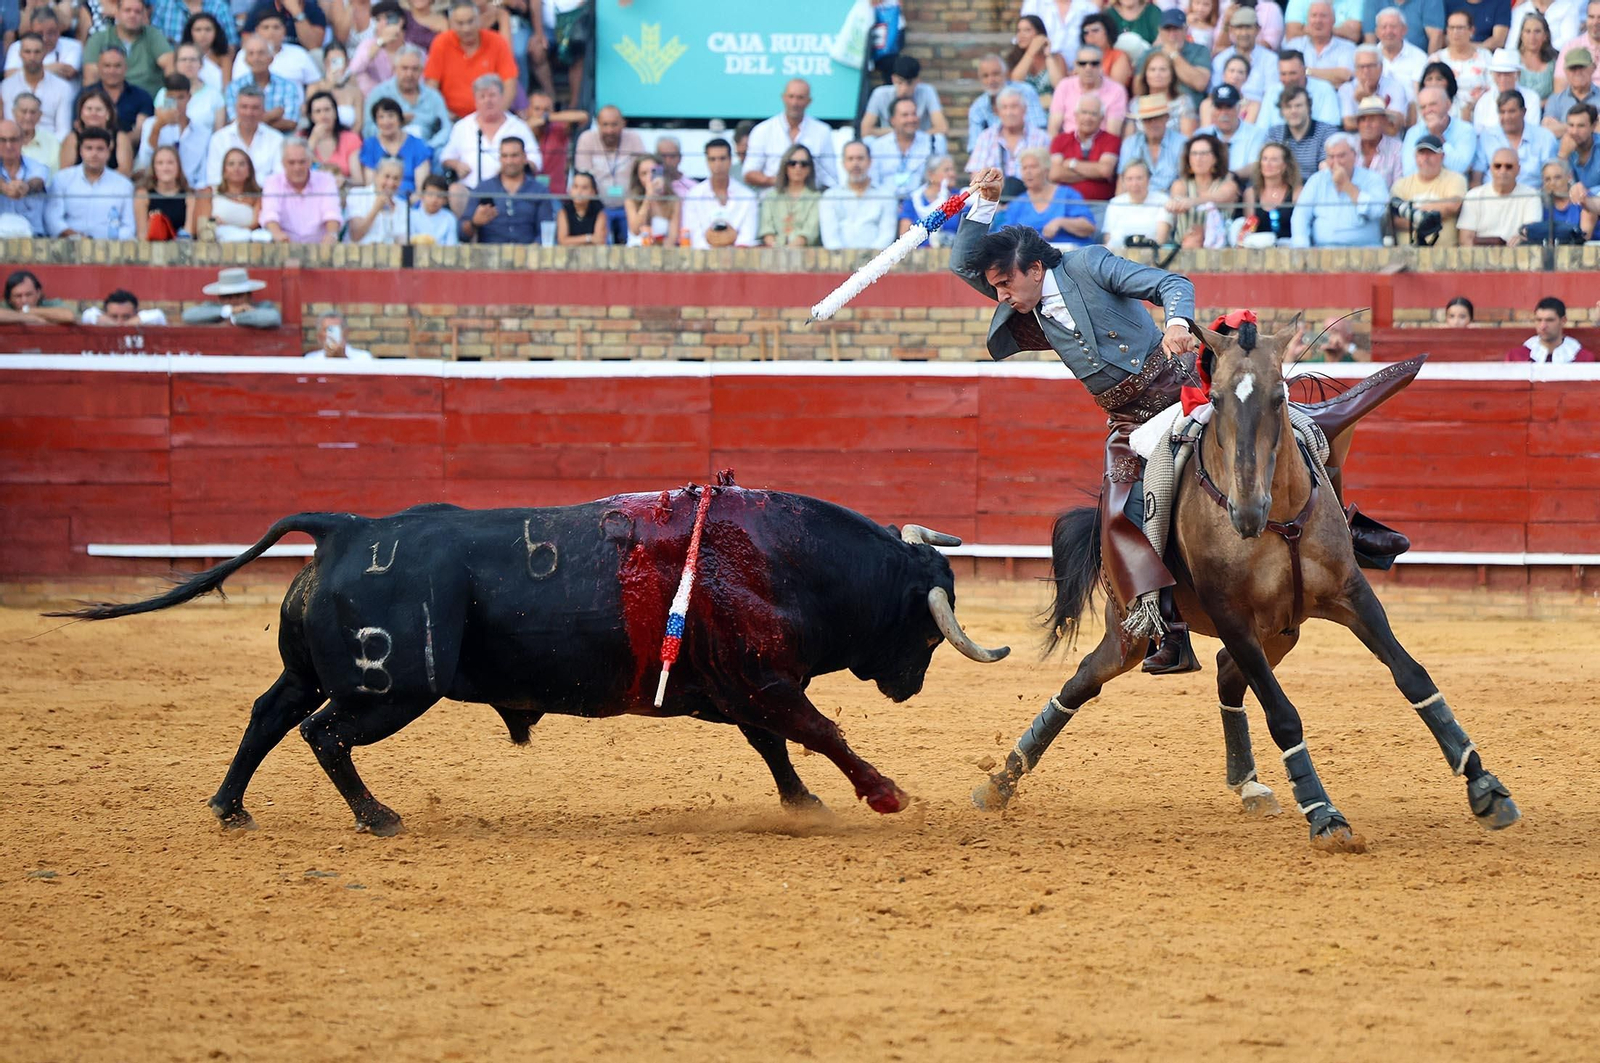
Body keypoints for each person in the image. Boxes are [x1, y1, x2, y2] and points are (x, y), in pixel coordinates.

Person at [951, 164, 1201, 674]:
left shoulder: (1089, 264)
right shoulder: (1025, 305)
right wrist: (984, 204)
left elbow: (1171, 282)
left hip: (1181, 396)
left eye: (1004, 284)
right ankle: (1173, 637)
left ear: (1035, 269)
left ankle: (1343, 532)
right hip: (1128, 423)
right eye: (996, 286)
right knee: (1118, 520)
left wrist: (1177, 323)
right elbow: (962, 265)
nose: (999, 296)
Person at [1290, 131, 1390, 244]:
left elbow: (1378, 212)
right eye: (1331, 157)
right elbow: (1300, 216)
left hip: (1364, 252)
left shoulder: (1373, 179)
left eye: (1341, 156)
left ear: (1354, 155)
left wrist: (1347, 186)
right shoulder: (1317, 180)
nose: (1335, 162)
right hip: (1322, 252)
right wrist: (1301, 248)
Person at [438, 74, 534, 190]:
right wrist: (457, 165)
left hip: (510, 190)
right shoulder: (462, 126)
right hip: (470, 189)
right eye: (482, 96)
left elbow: (535, 160)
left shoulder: (518, 126)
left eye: (492, 95)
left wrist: (510, 167)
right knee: (455, 190)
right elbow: (446, 156)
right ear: (475, 100)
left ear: (502, 97)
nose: (488, 100)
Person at [424, 0, 517, 120]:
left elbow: (510, 84)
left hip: (492, 116)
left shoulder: (497, 42)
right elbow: (431, 86)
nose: (466, 28)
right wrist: (444, 115)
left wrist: (496, 114)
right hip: (451, 118)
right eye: (460, 23)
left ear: (479, 20)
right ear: (451, 23)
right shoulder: (441, 43)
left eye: (470, 21)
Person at [744, 79, 840, 191]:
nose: (795, 103)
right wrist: (781, 181)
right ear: (783, 98)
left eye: (800, 98)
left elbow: (830, 178)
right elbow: (749, 173)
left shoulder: (822, 132)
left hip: (810, 202)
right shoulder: (762, 131)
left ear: (809, 101)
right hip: (772, 201)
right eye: (791, 96)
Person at [46, 127, 136, 237]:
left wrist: (108, 246)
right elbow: (53, 219)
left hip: (111, 250)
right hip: (67, 247)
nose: (94, 154)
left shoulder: (123, 185)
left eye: (100, 149)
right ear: (80, 151)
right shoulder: (62, 179)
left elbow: (128, 226)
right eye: (89, 148)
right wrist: (77, 239)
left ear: (108, 152)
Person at [571, 103, 641, 242]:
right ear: (598, 124)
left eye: (614, 125)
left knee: (634, 242)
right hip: (597, 207)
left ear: (623, 124)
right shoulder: (587, 139)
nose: (609, 130)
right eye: (605, 124)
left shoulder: (634, 139)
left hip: (628, 206)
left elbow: (641, 172)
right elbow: (583, 176)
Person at [1003, 145, 1097, 246]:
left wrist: (1061, 222)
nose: (1028, 172)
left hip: (1071, 254)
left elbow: (1089, 227)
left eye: (1033, 167)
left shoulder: (1067, 194)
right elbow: (1005, 235)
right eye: (1024, 168)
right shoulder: (1018, 203)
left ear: (1046, 170)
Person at [364, 45, 450, 155]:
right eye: (404, 68)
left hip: (426, 150)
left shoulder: (433, 96)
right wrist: (393, 124)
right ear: (395, 69)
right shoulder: (379, 93)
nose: (409, 74)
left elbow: (446, 128)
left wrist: (429, 147)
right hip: (388, 152)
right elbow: (368, 130)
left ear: (422, 71)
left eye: (415, 69)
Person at [459, 135, 545, 244]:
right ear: (499, 158)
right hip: (489, 256)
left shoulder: (539, 190)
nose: (509, 161)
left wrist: (532, 252)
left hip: (529, 255)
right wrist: (474, 223)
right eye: (505, 156)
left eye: (514, 156)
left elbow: (546, 229)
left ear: (525, 157)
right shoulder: (483, 189)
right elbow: (461, 234)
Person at [1161, 132, 1241, 246]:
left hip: (1221, 254)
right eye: (1194, 154)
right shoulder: (1180, 184)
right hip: (1184, 251)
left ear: (1215, 158)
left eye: (1204, 153)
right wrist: (1176, 204)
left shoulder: (1228, 184)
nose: (1198, 158)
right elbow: (1177, 201)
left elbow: (1220, 196)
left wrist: (1192, 201)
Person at [84, 0, 175, 97]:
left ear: (144, 15)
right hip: (109, 104)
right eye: (127, 11)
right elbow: (91, 76)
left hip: (149, 102)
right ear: (117, 13)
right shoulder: (99, 39)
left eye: (137, 12)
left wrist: (168, 99)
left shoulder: (153, 35)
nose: (132, 15)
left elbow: (170, 65)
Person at [819, 140, 897, 250]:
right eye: (850, 159)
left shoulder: (887, 196)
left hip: (877, 262)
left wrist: (870, 262)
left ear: (870, 162)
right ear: (843, 163)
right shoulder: (829, 197)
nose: (855, 164)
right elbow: (830, 239)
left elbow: (886, 236)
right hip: (838, 263)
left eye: (860, 158)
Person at [681, 137, 757, 249]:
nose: (718, 164)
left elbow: (746, 238)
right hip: (702, 260)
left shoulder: (748, 196)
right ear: (707, 161)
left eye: (722, 158)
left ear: (730, 160)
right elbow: (694, 238)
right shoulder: (694, 195)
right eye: (713, 159)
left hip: (738, 261)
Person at [260, 136, 340, 243]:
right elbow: (270, 213)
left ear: (310, 162)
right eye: (291, 162)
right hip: (285, 247)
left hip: (321, 247)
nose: (297, 168)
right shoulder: (272, 182)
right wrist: (277, 234)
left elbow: (331, 212)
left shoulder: (326, 180)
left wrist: (331, 234)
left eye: (302, 162)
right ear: (283, 163)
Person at [1390, 132, 1467, 242]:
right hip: (1408, 254)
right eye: (1421, 153)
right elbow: (1395, 220)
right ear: (1416, 157)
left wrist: (1412, 213)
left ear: (1442, 156)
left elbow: (1453, 205)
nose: (1426, 158)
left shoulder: (1455, 179)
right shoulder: (1401, 184)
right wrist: (1429, 220)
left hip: (1446, 254)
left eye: (1431, 153)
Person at [1472, 88, 1559, 184]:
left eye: (1511, 111)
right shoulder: (1486, 137)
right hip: (1493, 196)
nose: (1506, 117)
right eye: (1502, 112)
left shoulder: (1545, 137)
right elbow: (1477, 176)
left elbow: (1552, 177)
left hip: (1532, 196)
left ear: (1523, 112)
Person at [137, 72, 209, 187]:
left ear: (189, 97)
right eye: (171, 98)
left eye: (181, 97)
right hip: (157, 188)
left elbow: (203, 174)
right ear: (165, 97)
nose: (176, 103)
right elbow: (145, 161)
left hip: (191, 191)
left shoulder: (202, 132)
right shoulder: (151, 124)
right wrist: (158, 126)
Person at [967, 53, 1048, 154]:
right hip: (994, 161)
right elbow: (974, 149)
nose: (991, 80)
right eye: (985, 76)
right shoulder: (977, 108)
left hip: (1030, 154)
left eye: (995, 74)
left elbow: (1039, 128)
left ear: (1006, 74)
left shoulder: (1025, 92)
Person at [966, 87, 1051, 181]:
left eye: (1014, 107)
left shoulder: (1042, 138)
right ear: (998, 112)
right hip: (995, 194)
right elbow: (976, 177)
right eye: (1004, 107)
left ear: (1024, 109)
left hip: (1031, 194)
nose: (1009, 112)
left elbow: (1049, 175)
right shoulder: (986, 137)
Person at [1458, 146, 1543, 240]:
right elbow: (1466, 239)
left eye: (1509, 167)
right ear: (1490, 168)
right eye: (1497, 166)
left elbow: (1529, 233)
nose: (1503, 171)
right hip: (1480, 253)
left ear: (1518, 169)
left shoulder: (1531, 195)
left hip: (1518, 252)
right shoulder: (1473, 196)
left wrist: (1521, 239)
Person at [205, 84, 283, 186]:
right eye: (244, 107)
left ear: (263, 110)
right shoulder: (219, 139)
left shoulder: (276, 139)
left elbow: (279, 179)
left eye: (255, 108)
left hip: (264, 198)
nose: (249, 113)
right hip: (227, 198)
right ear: (236, 108)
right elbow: (214, 179)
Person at [859, 54, 949, 140]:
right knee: (868, 140)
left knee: (939, 139)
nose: (904, 89)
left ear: (917, 81)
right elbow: (865, 130)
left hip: (920, 143)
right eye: (900, 82)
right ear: (893, 79)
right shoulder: (880, 94)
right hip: (889, 144)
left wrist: (913, 137)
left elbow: (942, 128)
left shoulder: (927, 91)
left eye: (909, 83)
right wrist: (900, 133)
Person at [1049, 94, 1121, 202]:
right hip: (1065, 204)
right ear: (1076, 115)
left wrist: (1071, 164)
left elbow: (1105, 171)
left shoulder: (1111, 140)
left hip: (1099, 205)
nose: (1088, 118)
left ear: (1102, 118)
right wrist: (1094, 173)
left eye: (1093, 114)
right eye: (1084, 112)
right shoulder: (1060, 140)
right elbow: (1055, 174)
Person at [225, 34, 303, 133]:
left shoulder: (288, 86)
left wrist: (250, 121)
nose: (256, 58)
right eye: (251, 54)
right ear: (245, 60)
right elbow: (235, 123)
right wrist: (271, 116)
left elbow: (291, 123)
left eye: (261, 53)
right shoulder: (234, 87)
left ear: (271, 58)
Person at [867, 96, 942, 197]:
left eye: (914, 114)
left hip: (920, 204)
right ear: (892, 120)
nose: (911, 119)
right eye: (905, 115)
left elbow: (939, 177)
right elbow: (873, 181)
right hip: (886, 203)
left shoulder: (932, 142)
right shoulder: (878, 146)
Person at [1140, 9, 1213, 112]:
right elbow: (1137, 89)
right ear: (1160, 31)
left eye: (1176, 29)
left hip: (1191, 111)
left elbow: (1200, 83)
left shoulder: (1200, 50)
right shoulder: (1149, 53)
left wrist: (1174, 55)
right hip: (1155, 110)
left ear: (1185, 29)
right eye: (1167, 29)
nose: (1172, 34)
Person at [1049, 44, 1130, 137]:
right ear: (1076, 65)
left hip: (1101, 145)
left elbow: (1112, 132)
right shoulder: (1064, 86)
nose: (1088, 68)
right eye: (1083, 64)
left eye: (1094, 64)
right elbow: (1053, 127)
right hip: (1068, 145)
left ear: (1101, 65)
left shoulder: (1116, 90)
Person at [1, 33, 72, 137]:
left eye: (37, 52)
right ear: (20, 54)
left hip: (51, 146)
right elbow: (10, 124)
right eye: (27, 52)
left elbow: (63, 130)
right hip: (15, 145)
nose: (32, 57)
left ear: (45, 53)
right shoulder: (6, 86)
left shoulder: (63, 87)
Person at [357, 97, 429, 196]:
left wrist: (406, 207)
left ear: (399, 119)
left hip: (411, 204)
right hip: (378, 203)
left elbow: (421, 188)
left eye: (391, 116)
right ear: (376, 121)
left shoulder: (417, 145)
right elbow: (370, 184)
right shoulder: (370, 145)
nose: (386, 121)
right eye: (381, 117)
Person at [230, 12, 321, 88]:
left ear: (284, 30)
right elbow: (238, 85)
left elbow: (314, 84)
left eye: (276, 27)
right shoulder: (244, 54)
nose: (271, 32)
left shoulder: (299, 53)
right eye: (266, 27)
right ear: (257, 31)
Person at [1401, 82, 1479, 170]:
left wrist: (1437, 136)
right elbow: (1409, 171)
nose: (1428, 111)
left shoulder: (1465, 130)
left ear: (1448, 105)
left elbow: (1459, 168)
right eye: (1423, 107)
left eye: (1433, 104)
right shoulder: (1413, 132)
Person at [757, 143, 823, 248]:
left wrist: (788, 251)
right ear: (785, 166)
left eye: (803, 164)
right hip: (774, 255)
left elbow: (809, 232)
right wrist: (777, 248)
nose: (798, 167)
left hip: (806, 256)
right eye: (792, 163)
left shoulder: (817, 198)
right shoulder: (771, 197)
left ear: (810, 168)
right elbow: (766, 230)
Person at [1213, 7, 1283, 105]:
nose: (1244, 33)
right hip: (1227, 110)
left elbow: (1272, 96)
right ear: (1231, 30)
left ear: (1258, 30)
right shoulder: (1221, 59)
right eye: (1239, 28)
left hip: (1260, 114)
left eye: (1248, 27)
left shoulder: (1270, 59)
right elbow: (1213, 94)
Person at [1431, 10, 1494, 119]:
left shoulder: (1485, 56)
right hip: (1445, 117)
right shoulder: (1436, 59)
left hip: (1481, 114)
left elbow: (1494, 88)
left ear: (1471, 31)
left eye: (1460, 28)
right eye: (1451, 28)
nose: (1455, 32)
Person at [197, 145, 268, 239]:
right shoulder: (210, 192)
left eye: (242, 164)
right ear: (224, 171)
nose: (236, 168)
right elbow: (203, 224)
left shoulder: (258, 196)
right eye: (231, 164)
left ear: (249, 171)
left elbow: (255, 224)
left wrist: (228, 228)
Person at [1120, 92, 1188, 191]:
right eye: (1148, 119)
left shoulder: (1182, 143)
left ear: (1166, 118)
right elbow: (1122, 181)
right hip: (1137, 201)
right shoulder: (1130, 144)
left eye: (1157, 118)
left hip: (1172, 202)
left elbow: (1185, 180)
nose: (1153, 124)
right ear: (1142, 121)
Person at [86, 47, 154, 145]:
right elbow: (79, 127)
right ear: (99, 67)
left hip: (131, 153)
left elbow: (141, 132)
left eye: (117, 66)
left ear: (126, 67)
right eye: (107, 66)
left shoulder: (141, 97)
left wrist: (115, 144)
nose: (112, 71)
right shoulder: (85, 95)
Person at [1198, 84, 1269, 177]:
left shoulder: (1256, 133)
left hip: (1243, 186)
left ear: (1239, 108)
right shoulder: (1201, 135)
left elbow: (1256, 165)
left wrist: (1232, 177)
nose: (1223, 113)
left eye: (1228, 107)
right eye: (1219, 107)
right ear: (1212, 110)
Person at [1259, 50, 1343, 127]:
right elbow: (1262, 128)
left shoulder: (1324, 89)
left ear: (1304, 71)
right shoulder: (1272, 91)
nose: (1288, 79)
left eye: (1292, 73)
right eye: (1283, 74)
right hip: (1278, 142)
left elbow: (1331, 126)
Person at [3, 9, 84, 87]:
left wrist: (28, 70)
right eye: (39, 33)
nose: (45, 38)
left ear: (59, 30)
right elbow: (9, 76)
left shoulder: (74, 46)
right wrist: (52, 68)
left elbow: (68, 72)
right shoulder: (17, 47)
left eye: (51, 33)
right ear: (31, 31)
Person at [1285, 2, 1359, 87]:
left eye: (1323, 16)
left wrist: (1305, 71)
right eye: (1314, 16)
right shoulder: (1294, 46)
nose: (1318, 21)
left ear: (1333, 21)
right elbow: (1288, 78)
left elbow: (1345, 76)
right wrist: (1333, 76)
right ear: (1308, 20)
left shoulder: (1347, 47)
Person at [897, 154, 965, 247]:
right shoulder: (913, 200)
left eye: (953, 170)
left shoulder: (959, 198)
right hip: (918, 256)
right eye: (947, 170)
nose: (952, 174)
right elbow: (904, 237)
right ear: (931, 174)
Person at [1101, 159, 1171, 248]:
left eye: (1139, 178)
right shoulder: (1115, 203)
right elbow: (1108, 237)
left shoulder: (1162, 200)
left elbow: (1161, 239)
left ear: (1148, 179)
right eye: (1129, 179)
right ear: (1123, 181)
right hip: (1120, 256)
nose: (1134, 183)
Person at [1267, 85, 1338, 171]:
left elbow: (1326, 169)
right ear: (1281, 111)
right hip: (1284, 183)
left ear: (1308, 107)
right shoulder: (1275, 134)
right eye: (1288, 106)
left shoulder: (1326, 131)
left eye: (1298, 106)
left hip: (1316, 183)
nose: (1293, 111)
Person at [155, 45, 225, 133]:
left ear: (201, 64)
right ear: (175, 64)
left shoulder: (215, 96)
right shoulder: (165, 93)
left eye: (193, 59)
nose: (188, 64)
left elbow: (218, 133)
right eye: (183, 60)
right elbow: (162, 126)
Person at [1338, 46, 1411, 129]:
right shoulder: (1346, 89)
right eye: (1361, 67)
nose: (1366, 71)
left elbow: (1395, 125)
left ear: (1381, 68)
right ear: (1355, 69)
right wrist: (1383, 119)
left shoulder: (1395, 87)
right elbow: (1349, 124)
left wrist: (1368, 99)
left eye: (1370, 66)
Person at [181, 267, 281, 328]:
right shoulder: (213, 308)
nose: (233, 300)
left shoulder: (263, 306)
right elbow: (188, 316)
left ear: (249, 295)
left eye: (238, 295)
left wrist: (234, 317)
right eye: (227, 296)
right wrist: (229, 310)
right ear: (219, 298)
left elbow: (272, 318)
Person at [302, 88, 364, 187]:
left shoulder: (350, 138)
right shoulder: (301, 138)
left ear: (335, 112)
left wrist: (345, 181)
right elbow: (298, 171)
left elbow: (359, 180)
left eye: (327, 110)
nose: (323, 115)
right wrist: (313, 140)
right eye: (318, 111)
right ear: (311, 116)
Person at [1505, 295, 1596, 360]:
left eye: (1549, 320)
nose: (1543, 326)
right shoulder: (1516, 356)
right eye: (1539, 320)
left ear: (1563, 321)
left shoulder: (1582, 358)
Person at [524, 89, 579, 196]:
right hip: (527, 193)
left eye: (546, 110)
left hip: (555, 193)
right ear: (528, 110)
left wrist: (547, 118)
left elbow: (583, 117)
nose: (541, 113)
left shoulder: (558, 129)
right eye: (537, 109)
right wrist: (528, 126)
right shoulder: (519, 130)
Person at [1245, 140, 1303, 240]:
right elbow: (1248, 231)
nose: (1268, 164)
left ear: (1285, 165)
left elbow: (1302, 229)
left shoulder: (1297, 192)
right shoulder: (1250, 193)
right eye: (1265, 159)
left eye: (1274, 160)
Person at [1472, 47, 1543, 129]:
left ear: (1517, 75)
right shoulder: (1484, 101)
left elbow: (1532, 129)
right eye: (1499, 74)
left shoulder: (1531, 98)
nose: (1503, 79)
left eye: (1507, 74)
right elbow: (1478, 131)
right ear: (1493, 75)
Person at [0, 117, 49, 235]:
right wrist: (5, 187)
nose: (8, 145)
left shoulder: (37, 166)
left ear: (22, 140)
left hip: (34, 240)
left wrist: (25, 187)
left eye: (13, 140)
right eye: (2, 140)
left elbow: (38, 181)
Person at [134, 142, 196, 237]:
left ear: (178, 167)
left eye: (170, 163)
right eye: (160, 163)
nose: (165, 168)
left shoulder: (189, 196)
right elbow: (142, 235)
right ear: (154, 168)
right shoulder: (143, 195)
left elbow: (188, 234)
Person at [1133, 49, 1198, 136]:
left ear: (1172, 75)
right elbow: (1129, 141)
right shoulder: (1135, 103)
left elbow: (1187, 139)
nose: (1157, 74)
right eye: (1152, 70)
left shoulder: (1184, 102)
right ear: (1145, 75)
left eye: (1163, 69)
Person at [344, 156, 407, 243]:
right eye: (387, 176)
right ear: (376, 175)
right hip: (356, 253)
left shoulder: (402, 205)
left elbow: (402, 240)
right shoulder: (357, 194)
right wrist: (376, 209)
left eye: (396, 178)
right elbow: (355, 235)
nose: (391, 183)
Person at [624, 153, 679, 246]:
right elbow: (636, 230)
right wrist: (648, 198)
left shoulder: (673, 200)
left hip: (662, 253)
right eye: (644, 174)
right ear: (638, 178)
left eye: (653, 172)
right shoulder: (631, 200)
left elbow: (673, 237)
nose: (649, 177)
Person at [1007, 13, 1068, 96]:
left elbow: (1060, 87)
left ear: (1039, 33)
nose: (1021, 35)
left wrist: (1048, 56)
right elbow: (1015, 82)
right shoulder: (1013, 58)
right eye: (1019, 31)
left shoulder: (1057, 58)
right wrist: (1031, 52)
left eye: (1027, 30)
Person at [1373, 6, 1433, 89]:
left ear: (1404, 30)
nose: (1389, 31)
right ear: (1377, 32)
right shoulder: (1370, 58)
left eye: (1393, 27)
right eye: (1384, 27)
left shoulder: (1419, 58)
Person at [1354, 94, 1406, 183]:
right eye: (1363, 119)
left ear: (1384, 122)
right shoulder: (1348, 146)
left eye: (1372, 119)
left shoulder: (1397, 149)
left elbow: (1398, 188)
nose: (1367, 125)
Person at [1545, 46, 1597, 132]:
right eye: (1573, 68)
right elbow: (1548, 131)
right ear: (1565, 71)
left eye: (1582, 67)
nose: (1577, 72)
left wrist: (1563, 127)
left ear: (1593, 68)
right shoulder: (1555, 100)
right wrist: (1590, 126)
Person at [179, 13, 229, 95]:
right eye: (198, 30)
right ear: (190, 32)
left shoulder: (224, 58)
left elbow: (226, 88)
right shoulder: (181, 55)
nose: (203, 34)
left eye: (208, 29)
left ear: (216, 32)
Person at [551, 169, 604, 246]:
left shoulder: (600, 213)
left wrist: (573, 241)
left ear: (593, 192)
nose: (579, 192)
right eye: (575, 187)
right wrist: (588, 238)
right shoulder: (563, 212)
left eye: (584, 188)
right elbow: (562, 240)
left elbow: (599, 240)